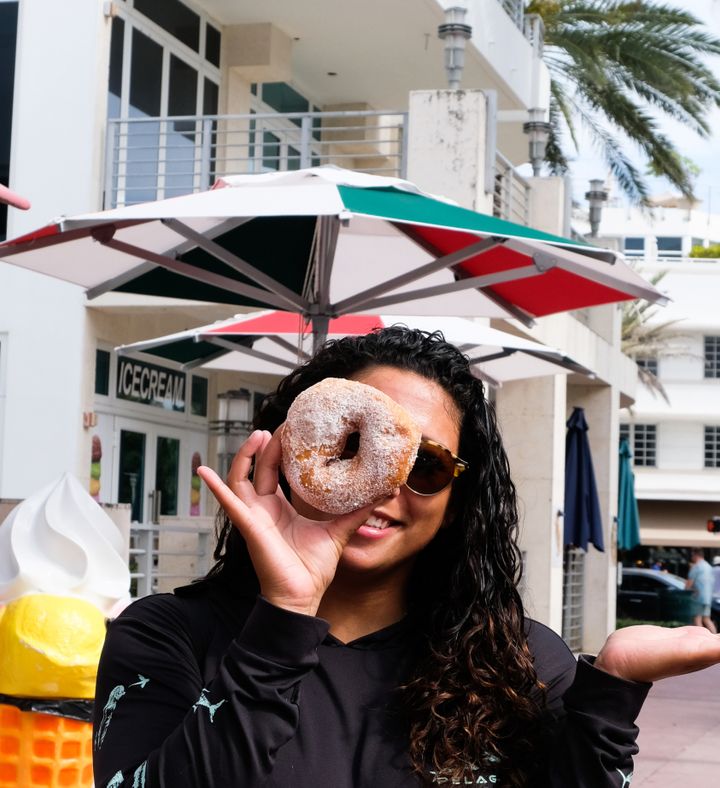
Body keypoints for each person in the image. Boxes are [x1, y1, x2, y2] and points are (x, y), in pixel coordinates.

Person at [93, 327, 720, 787]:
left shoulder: (522, 666)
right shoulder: (168, 637)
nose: (389, 485)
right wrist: (287, 610)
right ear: (288, 448)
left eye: (426, 464)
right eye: (353, 445)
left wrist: (611, 691)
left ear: (458, 497)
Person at [685, 548, 717, 633]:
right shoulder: (708, 566)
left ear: (695, 555)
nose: (691, 557)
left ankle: (701, 639)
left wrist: (687, 590)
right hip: (708, 597)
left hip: (698, 597)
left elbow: (689, 584)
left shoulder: (696, 567)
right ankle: (716, 639)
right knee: (707, 619)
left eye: (692, 555)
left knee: (697, 619)